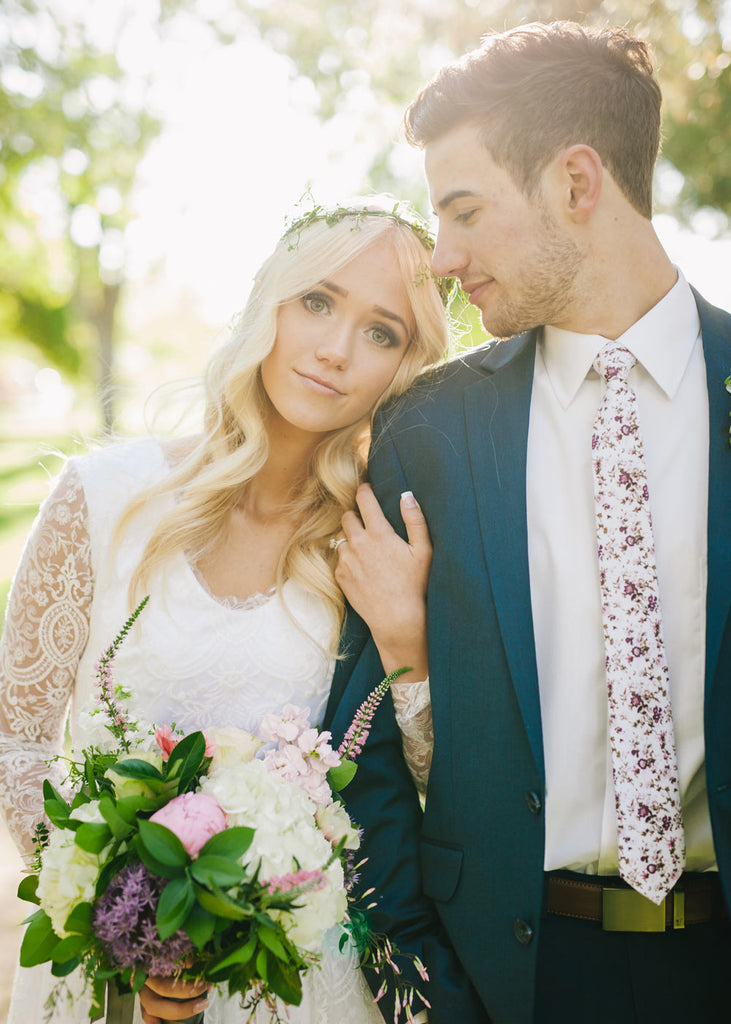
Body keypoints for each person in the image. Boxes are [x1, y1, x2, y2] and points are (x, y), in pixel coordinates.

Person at [324, 21, 731, 1024]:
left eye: (462, 211)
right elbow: (360, 746)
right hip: (508, 980)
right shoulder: (428, 427)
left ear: (575, 183)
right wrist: (427, 996)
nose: (444, 256)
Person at [0, 197, 449, 1024]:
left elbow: (434, 785)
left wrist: (405, 638)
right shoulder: (102, 501)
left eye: (381, 331)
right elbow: (16, 739)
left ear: (405, 367)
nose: (335, 349)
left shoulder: (375, 546)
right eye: (317, 300)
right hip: (110, 976)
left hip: (299, 987)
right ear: (266, 305)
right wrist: (124, 915)